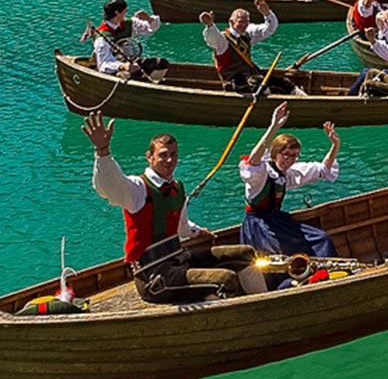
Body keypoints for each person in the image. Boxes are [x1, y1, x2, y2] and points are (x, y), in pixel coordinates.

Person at [84, 114, 264, 298]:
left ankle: (258, 299)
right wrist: (103, 150)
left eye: (173, 154)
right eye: (163, 155)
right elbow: (109, 186)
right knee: (226, 279)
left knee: (246, 252)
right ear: (149, 157)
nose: (169, 160)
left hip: (178, 259)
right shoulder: (138, 189)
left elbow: (181, 226)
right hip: (154, 276)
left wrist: (198, 232)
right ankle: (240, 312)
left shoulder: (176, 188)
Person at [238, 104, 342, 260]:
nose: (289, 160)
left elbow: (322, 169)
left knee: (323, 238)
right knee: (280, 257)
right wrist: (274, 126)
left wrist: (335, 145)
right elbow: (253, 160)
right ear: (275, 153)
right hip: (258, 227)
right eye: (285, 154)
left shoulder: (288, 173)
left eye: (294, 155)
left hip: (277, 221)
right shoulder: (261, 174)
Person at [200, 1, 284, 91]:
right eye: (240, 22)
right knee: (259, 85)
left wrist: (267, 14)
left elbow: (269, 29)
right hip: (235, 81)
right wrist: (210, 25)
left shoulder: (247, 34)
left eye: (246, 22)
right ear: (231, 22)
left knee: (283, 82)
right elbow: (212, 39)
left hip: (251, 75)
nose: (244, 25)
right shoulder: (222, 40)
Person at [90, 0, 168, 77]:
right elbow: (103, 65)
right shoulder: (102, 38)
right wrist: (123, 66)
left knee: (161, 63)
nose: (126, 13)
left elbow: (149, 30)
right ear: (117, 12)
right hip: (114, 68)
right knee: (126, 75)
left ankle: (153, 84)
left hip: (130, 60)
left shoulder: (127, 23)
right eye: (125, 11)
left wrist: (148, 19)